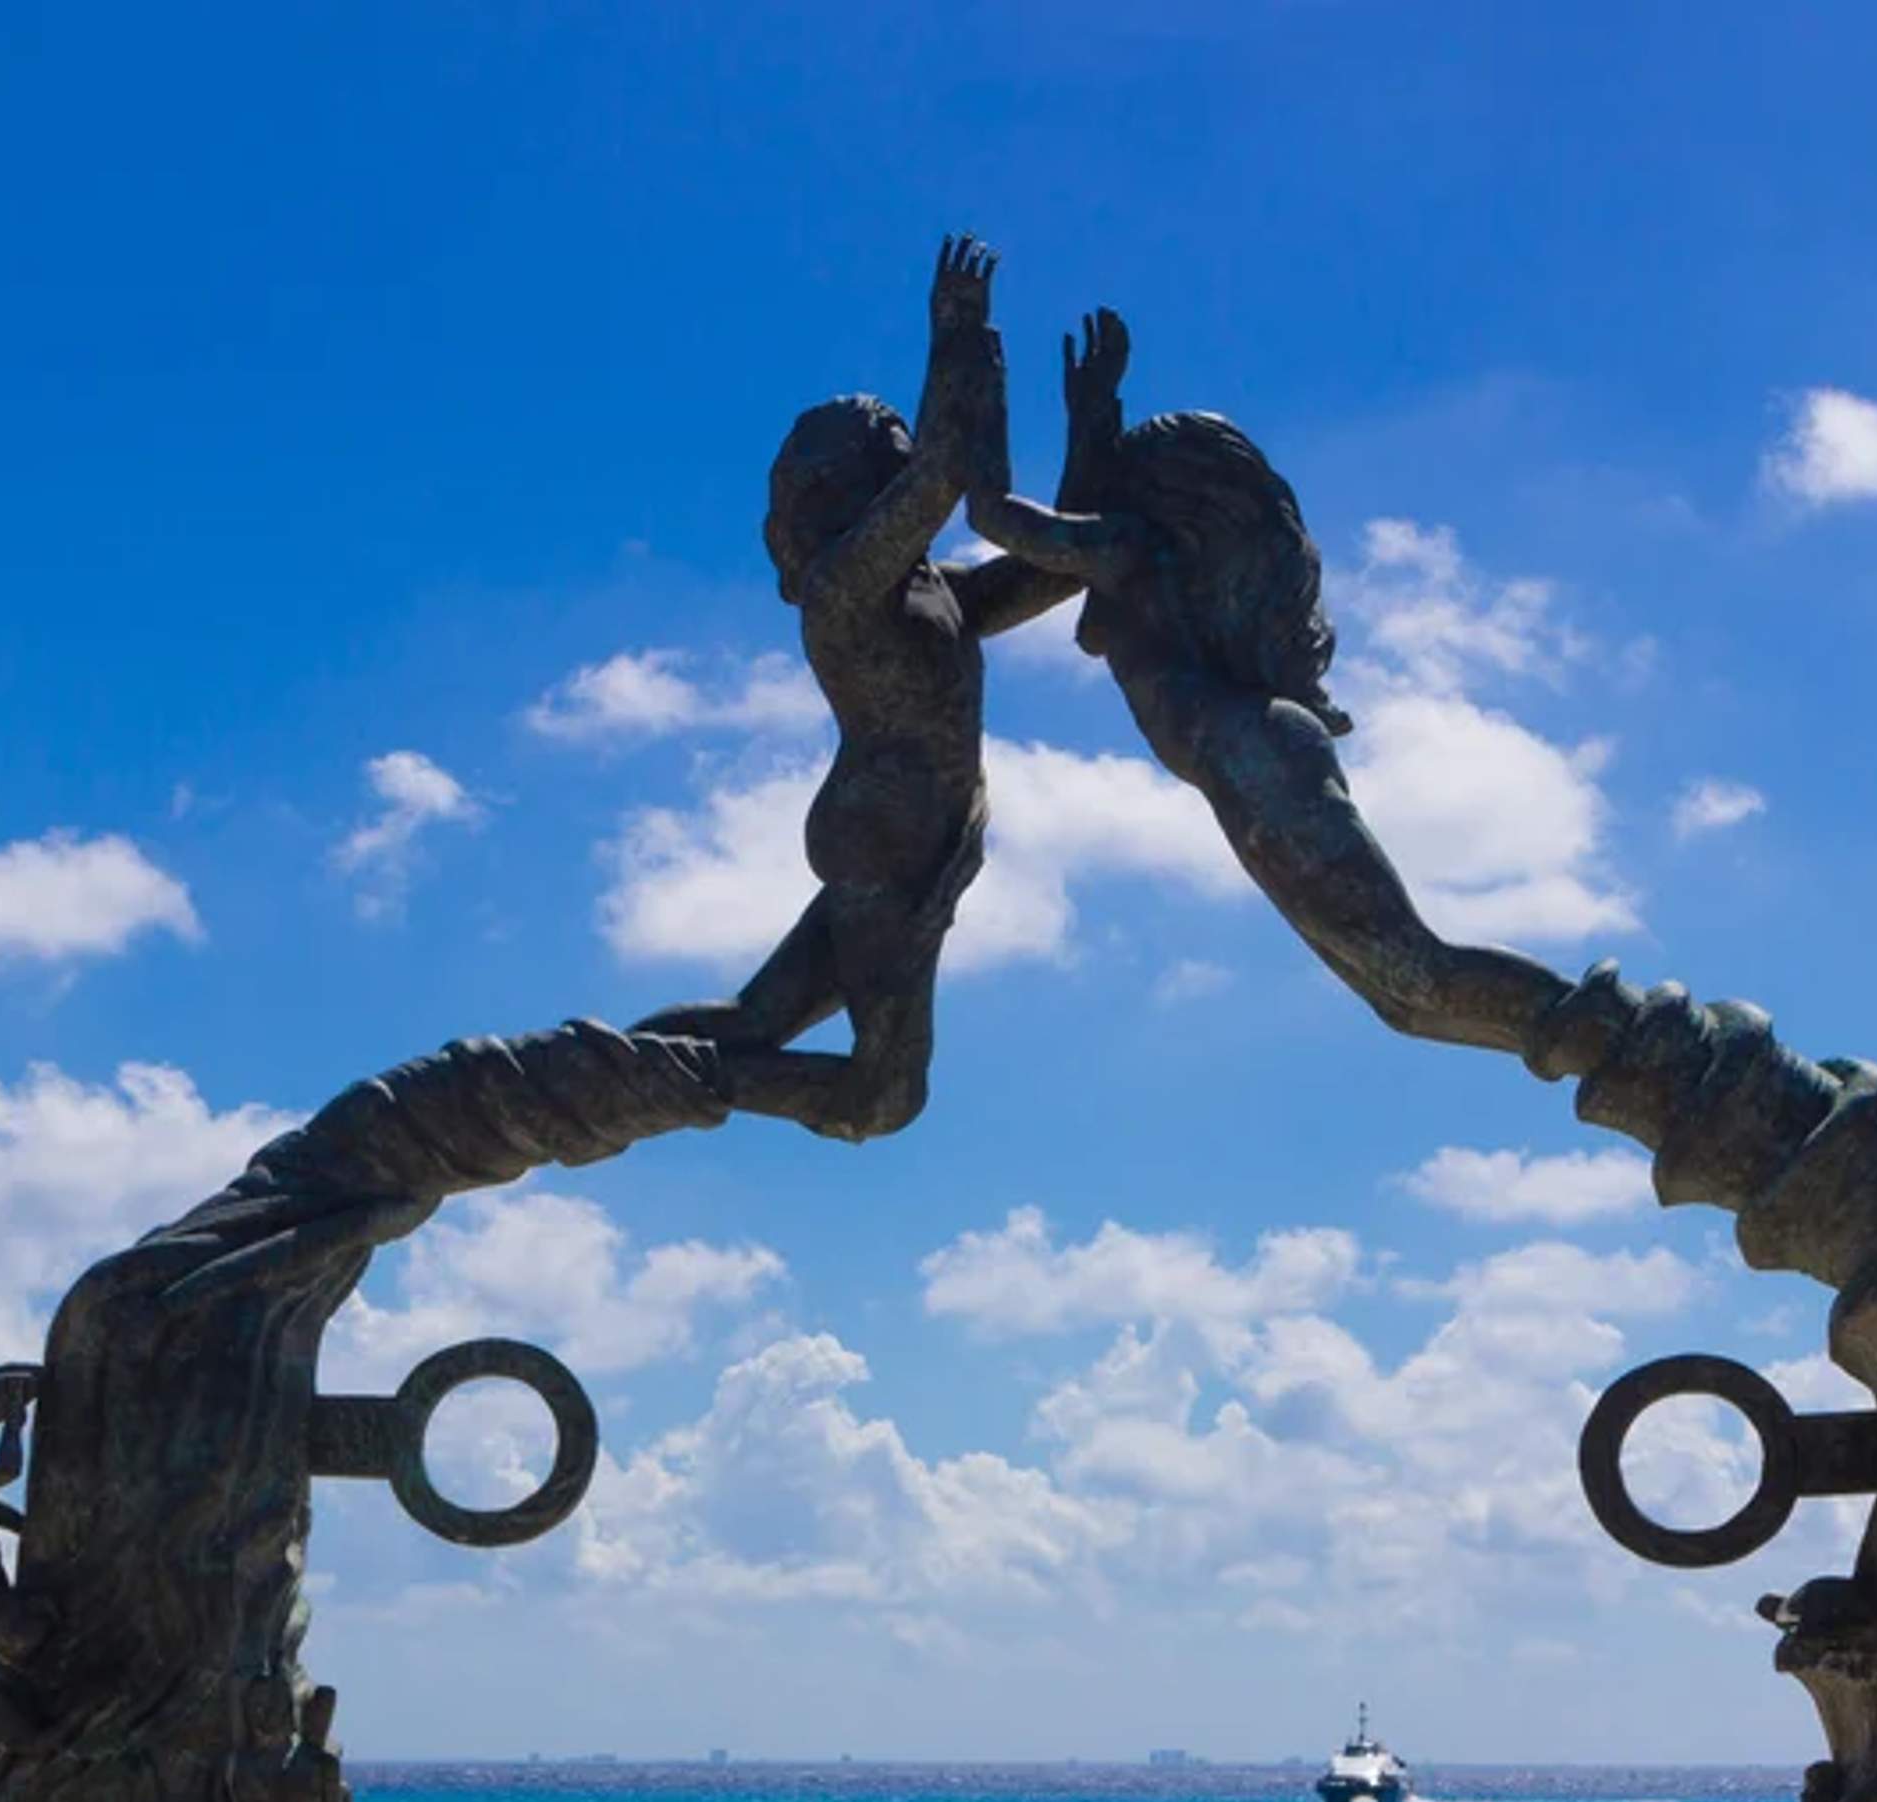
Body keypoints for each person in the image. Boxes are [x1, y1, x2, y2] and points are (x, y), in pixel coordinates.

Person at [959, 306, 1564, 1059]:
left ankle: (1624, 1038)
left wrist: (970, 350)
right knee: (1405, 1002)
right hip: (1255, 756)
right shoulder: (1140, 564)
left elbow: (994, 514)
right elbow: (1076, 540)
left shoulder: (1133, 549)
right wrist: (1093, 415)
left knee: (1416, 973)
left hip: (1258, 756)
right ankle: (1611, 1044)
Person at [635, 236, 1085, 1143]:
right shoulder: (845, 589)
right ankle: (642, 1081)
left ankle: (607, 1068)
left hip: (908, 846)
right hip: (878, 844)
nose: (907, 454)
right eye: (890, 451)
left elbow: (1055, 568)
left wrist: (1092, 428)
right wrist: (957, 333)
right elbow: (941, 481)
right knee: (884, 1096)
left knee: (754, 1023)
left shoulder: (939, 592)